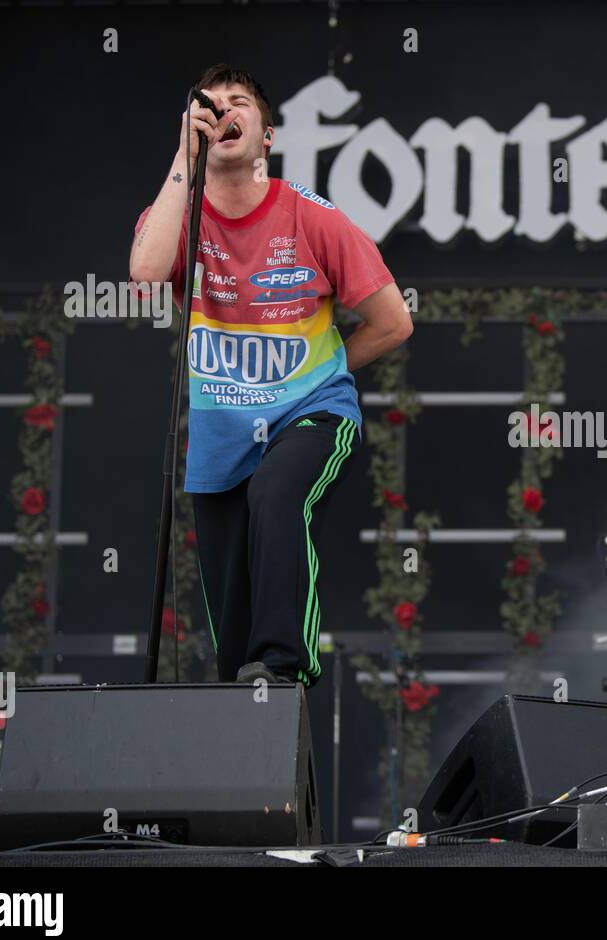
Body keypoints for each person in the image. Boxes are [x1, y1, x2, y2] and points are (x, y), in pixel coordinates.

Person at [129, 64, 412, 687]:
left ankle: (288, 665)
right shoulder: (184, 209)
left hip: (310, 414)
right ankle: (251, 719)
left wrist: (320, 369)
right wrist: (184, 157)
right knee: (232, 629)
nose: (223, 113)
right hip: (221, 432)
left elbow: (394, 322)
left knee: (277, 494)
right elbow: (147, 274)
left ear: (267, 138)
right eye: (211, 106)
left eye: (239, 105)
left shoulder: (312, 217)